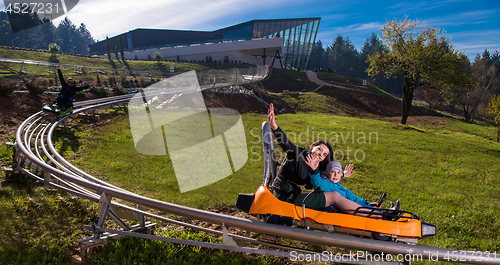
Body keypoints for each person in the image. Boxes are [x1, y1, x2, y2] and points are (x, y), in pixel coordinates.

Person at [267, 103, 333, 208]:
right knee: (329, 198)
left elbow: (309, 186)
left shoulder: (317, 167)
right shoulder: (299, 154)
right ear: (312, 147)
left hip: (294, 194)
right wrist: (275, 128)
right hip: (282, 192)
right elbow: (286, 145)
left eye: (324, 154)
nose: (321, 155)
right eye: (319, 149)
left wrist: (314, 171)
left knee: (327, 198)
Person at [306, 158, 401, 218]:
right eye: (332, 172)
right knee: (359, 209)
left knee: (361, 205)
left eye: (338, 173)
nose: (335, 175)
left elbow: (354, 198)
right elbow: (317, 182)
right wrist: (314, 171)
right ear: (327, 174)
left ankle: (386, 212)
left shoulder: (342, 189)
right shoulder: (325, 184)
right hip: (335, 209)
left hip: (346, 207)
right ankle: (385, 214)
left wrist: (367, 202)